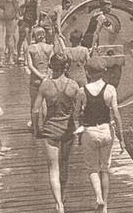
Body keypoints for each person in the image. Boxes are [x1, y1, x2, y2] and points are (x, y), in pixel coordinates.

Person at [74, 57, 125, 213]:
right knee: (105, 168)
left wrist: (78, 132)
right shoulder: (110, 89)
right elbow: (116, 115)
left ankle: (98, 197)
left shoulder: (82, 91)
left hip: (90, 132)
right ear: (104, 72)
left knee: (92, 169)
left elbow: (76, 115)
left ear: (87, 72)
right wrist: (121, 139)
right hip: (106, 131)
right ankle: (106, 206)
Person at [32, 53, 79, 213]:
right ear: (66, 67)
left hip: (50, 130)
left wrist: (37, 129)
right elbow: (80, 110)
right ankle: (63, 195)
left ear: (51, 66)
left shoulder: (45, 85)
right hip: (68, 130)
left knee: (53, 167)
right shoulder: (73, 85)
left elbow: (35, 109)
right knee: (64, 164)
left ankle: (59, 203)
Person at [26, 27, 54, 127]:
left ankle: (34, 125)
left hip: (35, 79)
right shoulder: (50, 47)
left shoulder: (30, 48)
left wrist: (39, 75)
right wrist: (47, 76)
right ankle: (46, 124)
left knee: (34, 104)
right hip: (46, 78)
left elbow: (30, 65)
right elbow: (52, 63)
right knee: (45, 104)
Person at [18, 0, 43, 64]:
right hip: (32, 15)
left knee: (23, 36)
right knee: (29, 38)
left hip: (26, 14)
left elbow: (25, 3)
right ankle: (26, 59)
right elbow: (38, 6)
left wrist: (20, 10)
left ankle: (19, 55)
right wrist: (37, 18)